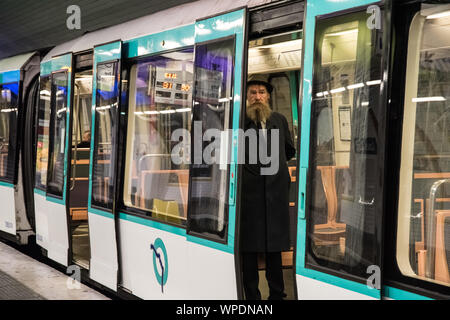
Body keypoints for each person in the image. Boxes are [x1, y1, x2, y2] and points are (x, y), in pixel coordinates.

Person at [240, 74, 295, 300]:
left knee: (274, 248)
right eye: (253, 93)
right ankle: (252, 297)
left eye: (262, 93)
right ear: (246, 97)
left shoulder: (279, 120)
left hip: (274, 194)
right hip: (248, 196)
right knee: (249, 249)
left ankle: (277, 295)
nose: (257, 97)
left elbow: (289, 150)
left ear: (268, 97)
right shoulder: (238, 122)